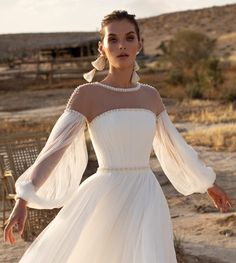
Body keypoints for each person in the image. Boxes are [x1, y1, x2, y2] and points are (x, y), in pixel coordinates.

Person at [3, 10, 233, 263]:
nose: (121, 45)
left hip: (146, 197)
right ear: (101, 48)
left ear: (139, 44)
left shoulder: (150, 96)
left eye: (129, 37)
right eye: (113, 39)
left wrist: (207, 183)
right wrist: (23, 197)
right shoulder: (87, 94)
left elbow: (175, 146)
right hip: (105, 197)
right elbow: (53, 151)